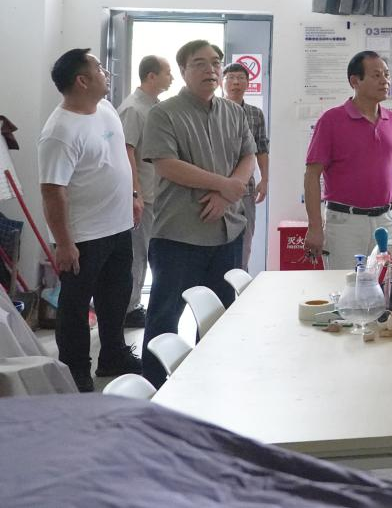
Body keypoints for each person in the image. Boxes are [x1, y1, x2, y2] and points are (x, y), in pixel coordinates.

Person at [140, 40, 256, 388]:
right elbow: (166, 164)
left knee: (219, 317)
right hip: (179, 234)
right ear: (182, 70)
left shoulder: (234, 112)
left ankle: (210, 385)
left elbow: (248, 155)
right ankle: (156, 390)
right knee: (164, 317)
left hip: (227, 231)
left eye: (216, 63)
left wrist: (227, 192)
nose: (211, 70)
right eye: (199, 63)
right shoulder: (163, 113)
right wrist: (224, 185)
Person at [37, 49, 143, 392]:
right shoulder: (59, 132)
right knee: (75, 306)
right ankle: (76, 372)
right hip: (82, 236)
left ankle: (113, 355)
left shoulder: (106, 108)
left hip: (118, 225)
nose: (105, 72)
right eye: (99, 68)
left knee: (116, 297)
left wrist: (134, 195)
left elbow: (121, 155)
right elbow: (53, 192)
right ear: (82, 80)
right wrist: (64, 243)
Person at [304, 51, 392, 268]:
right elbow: (312, 175)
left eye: (387, 75)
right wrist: (314, 226)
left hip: (387, 220)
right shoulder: (331, 120)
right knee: (345, 284)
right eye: (376, 75)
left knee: (389, 283)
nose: (385, 81)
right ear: (355, 81)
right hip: (345, 223)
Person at [116, 54, 173, 329]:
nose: (171, 78)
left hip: (155, 194)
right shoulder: (134, 108)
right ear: (151, 76)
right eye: (167, 72)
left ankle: (134, 304)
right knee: (137, 253)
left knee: (148, 252)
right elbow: (126, 151)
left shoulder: (154, 107)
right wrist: (135, 194)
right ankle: (128, 308)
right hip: (143, 196)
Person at [222, 62, 269, 269]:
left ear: (248, 83)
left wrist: (264, 180)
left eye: (241, 78)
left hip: (246, 189)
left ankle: (240, 283)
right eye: (231, 78)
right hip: (218, 188)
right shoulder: (213, 110)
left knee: (245, 242)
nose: (236, 82)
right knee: (219, 241)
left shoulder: (255, 114)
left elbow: (262, 148)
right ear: (222, 83)